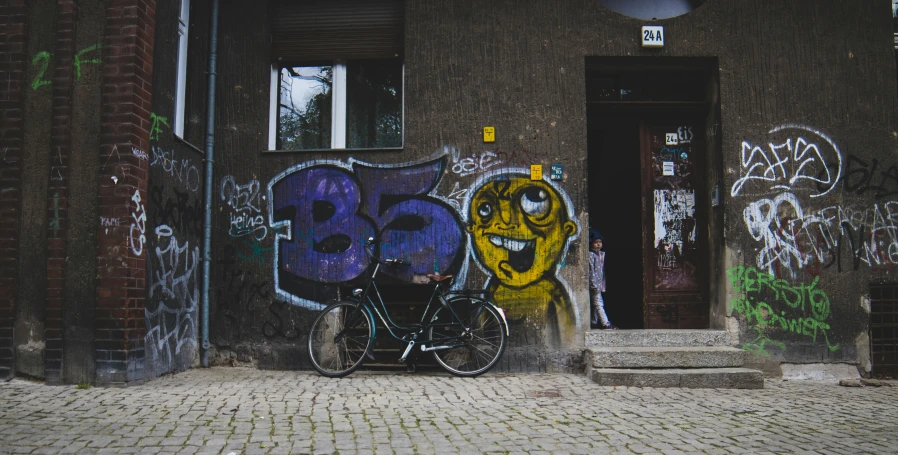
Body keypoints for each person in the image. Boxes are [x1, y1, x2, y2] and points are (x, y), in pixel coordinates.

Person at [589, 229, 617, 329]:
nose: (598, 244)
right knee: (599, 303)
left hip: (599, 283)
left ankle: (594, 321)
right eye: (596, 242)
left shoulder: (600, 254)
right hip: (594, 284)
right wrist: (593, 284)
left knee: (596, 303)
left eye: (600, 242)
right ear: (591, 243)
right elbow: (591, 271)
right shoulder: (591, 255)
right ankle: (605, 323)